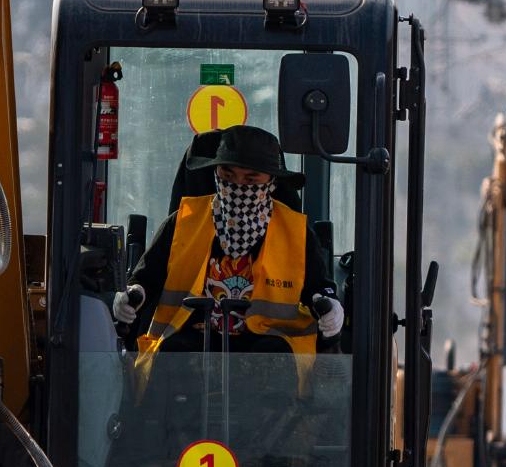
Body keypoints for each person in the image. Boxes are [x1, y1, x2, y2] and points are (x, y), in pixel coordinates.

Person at [116, 124, 342, 374]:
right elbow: (147, 277)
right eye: (228, 174)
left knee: (272, 358)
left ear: (271, 181)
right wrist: (132, 294)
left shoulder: (294, 232)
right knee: (174, 357)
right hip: (192, 334)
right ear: (215, 172)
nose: (237, 185)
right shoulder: (183, 221)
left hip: (267, 340)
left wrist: (328, 304)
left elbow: (317, 286)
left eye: (251, 179)